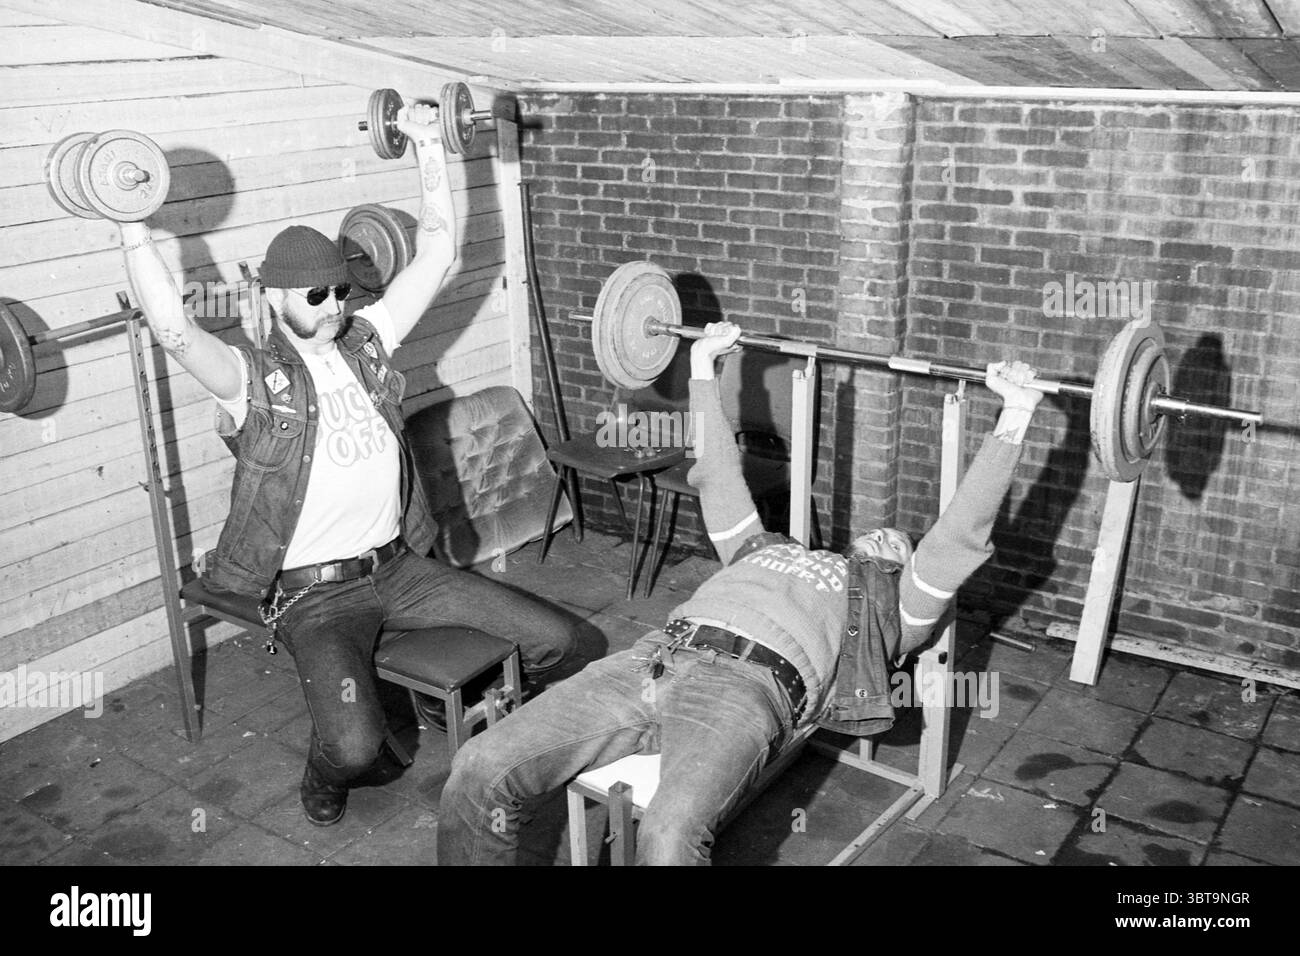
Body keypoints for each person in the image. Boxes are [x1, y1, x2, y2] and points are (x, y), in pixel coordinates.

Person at [437, 321, 1044, 865]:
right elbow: (719, 472)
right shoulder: (766, 547)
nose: (892, 533)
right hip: (650, 659)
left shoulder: (889, 603)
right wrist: (704, 367)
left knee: (670, 837)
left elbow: (956, 537)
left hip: (748, 690)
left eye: (900, 544)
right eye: (886, 533)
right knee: (479, 767)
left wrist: (1013, 418)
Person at [118, 104, 574, 826]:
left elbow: (436, 254)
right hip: (315, 597)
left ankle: (502, 744)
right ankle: (323, 769)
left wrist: (429, 144)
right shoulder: (250, 381)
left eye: (340, 291)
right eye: (314, 296)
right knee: (359, 751)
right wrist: (131, 221)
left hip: (399, 570)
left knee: (558, 640)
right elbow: (174, 330)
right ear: (274, 298)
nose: (332, 306)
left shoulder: (367, 343)